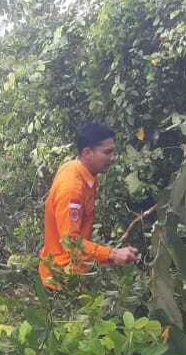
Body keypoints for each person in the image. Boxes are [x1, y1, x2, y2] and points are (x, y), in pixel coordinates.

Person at [39, 122, 139, 287]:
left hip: (72, 272)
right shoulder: (72, 188)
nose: (113, 157)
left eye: (114, 151)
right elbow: (71, 243)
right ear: (87, 153)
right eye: (107, 152)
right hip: (62, 279)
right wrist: (112, 254)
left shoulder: (77, 169)